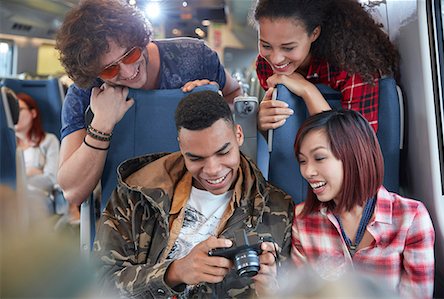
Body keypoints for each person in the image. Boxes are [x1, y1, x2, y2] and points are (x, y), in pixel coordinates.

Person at [93, 90, 294, 298]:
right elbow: (99, 284)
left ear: (239, 135)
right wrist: (174, 273)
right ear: (181, 146)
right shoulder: (136, 194)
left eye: (223, 152)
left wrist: (271, 290)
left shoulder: (276, 208)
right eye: (196, 158)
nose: (213, 169)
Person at [55, 0, 242, 208]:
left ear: (141, 38)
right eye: (109, 70)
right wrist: (101, 124)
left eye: (131, 54)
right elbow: (72, 192)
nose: (127, 73)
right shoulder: (86, 92)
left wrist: (212, 100)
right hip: (127, 216)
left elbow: (234, 96)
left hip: (203, 203)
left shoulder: (195, 57)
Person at [291, 110, 435, 298]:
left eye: (319, 158)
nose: (308, 171)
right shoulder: (303, 220)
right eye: (302, 161)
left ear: (354, 155)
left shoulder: (410, 217)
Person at [251, 0, 399, 133]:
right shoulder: (265, 66)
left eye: (288, 48)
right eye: (266, 45)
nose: (276, 59)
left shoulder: (350, 67)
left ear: (314, 33)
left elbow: (357, 143)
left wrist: (307, 90)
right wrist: (260, 121)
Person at [14, 93, 60, 211]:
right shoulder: (6, 145)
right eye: (11, 110)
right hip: (10, 197)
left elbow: (51, 179)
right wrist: (29, 173)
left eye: (18, 109)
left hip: (39, 198)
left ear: (33, 113)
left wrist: (20, 179)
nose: (14, 114)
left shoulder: (49, 141)